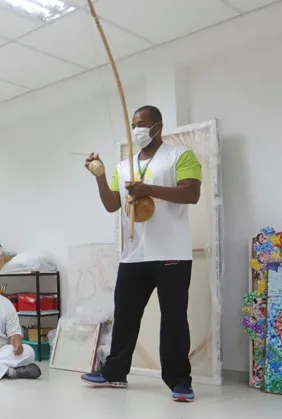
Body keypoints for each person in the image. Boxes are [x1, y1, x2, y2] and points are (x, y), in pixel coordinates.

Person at [80, 105, 202, 403]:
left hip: (171, 252)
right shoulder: (123, 166)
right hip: (134, 254)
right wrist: (99, 175)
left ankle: (179, 381)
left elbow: (191, 194)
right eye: (134, 124)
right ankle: (114, 373)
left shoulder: (179, 156)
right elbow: (112, 205)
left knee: (173, 319)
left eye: (143, 124)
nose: (137, 129)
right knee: (125, 315)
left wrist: (148, 188)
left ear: (158, 126)